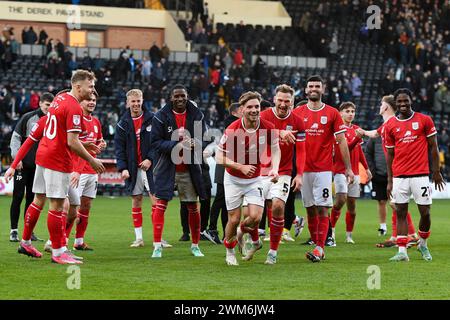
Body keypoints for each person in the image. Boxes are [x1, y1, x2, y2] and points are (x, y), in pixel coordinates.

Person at [4, 70, 105, 264]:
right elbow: (72, 142)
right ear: (78, 87)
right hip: (57, 160)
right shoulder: (74, 107)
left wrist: (13, 164)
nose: (93, 90)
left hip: (43, 156)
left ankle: (25, 242)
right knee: (58, 206)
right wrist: (92, 160)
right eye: (90, 86)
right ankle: (58, 252)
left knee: (38, 200)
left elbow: (41, 135)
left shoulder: (59, 99)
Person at [292, 75, 354, 263]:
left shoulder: (333, 113)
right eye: (310, 86)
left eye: (317, 86)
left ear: (323, 89)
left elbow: (341, 141)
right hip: (303, 170)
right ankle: (317, 244)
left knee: (322, 209)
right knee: (310, 209)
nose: (314, 89)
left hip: (324, 170)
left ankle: (320, 247)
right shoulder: (297, 112)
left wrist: (349, 169)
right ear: (305, 90)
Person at [216, 91, 281, 266]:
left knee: (255, 217)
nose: (254, 110)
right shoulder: (232, 130)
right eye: (250, 107)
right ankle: (229, 250)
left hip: (255, 179)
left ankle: (246, 236)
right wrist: (240, 167)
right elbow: (219, 157)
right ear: (242, 109)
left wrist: (275, 169)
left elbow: (275, 149)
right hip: (233, 179)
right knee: (234, 219)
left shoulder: (267, 127)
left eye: (257, 107)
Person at [384, 88, 445, 262]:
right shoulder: (390, 125)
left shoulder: (424, 120)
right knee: (401, 212)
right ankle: (402, 251)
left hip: (420, 174)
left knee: (425, 213)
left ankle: (423, 244)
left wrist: (436, 171)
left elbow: (433, 147)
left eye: (406, 101)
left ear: (411, 100)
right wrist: (390, 180)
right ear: (395, 103)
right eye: (400, 101)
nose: (403, 104)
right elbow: (390, 154)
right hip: (399, 176)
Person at [149, 84, 208, 258]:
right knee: (161, 205)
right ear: (171, 98)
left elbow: (202, 140)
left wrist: (194, 144)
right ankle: (157, 246)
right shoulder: (160, 116)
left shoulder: (197, 115)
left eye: (183, 96)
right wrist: (177, 145)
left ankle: (195, 245)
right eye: (177, 96)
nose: (180, 99)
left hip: (189, 168)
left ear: (187, 96)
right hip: (167, 168)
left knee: (193, 207)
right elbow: (155, 143)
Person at [115, 89, 170, 248]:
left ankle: (158, 238)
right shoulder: (122, 123)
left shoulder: (153, 119)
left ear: (142, 100)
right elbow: (119, 149)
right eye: (133, 101)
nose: (136, 104)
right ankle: (139, 238)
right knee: (136, 199)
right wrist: (122, 168)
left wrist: (149, 159)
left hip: (151, 167)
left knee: (156, 201)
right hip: (133, 168)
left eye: (138, 101)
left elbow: (158, 142)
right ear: (128, 103)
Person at [362, 95, 419, 247]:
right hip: (393, 168)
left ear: (386, 107)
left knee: (396, 204)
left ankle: (412, 235)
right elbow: (374, 134)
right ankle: (397, 237)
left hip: (397, 169)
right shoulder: (388, 123)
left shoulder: (393, 122)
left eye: (381, 104)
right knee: (394, 203)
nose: (379, 106)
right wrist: (359, 131)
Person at [259, 84, 306, 264]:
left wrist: (299, 174)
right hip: (260, 170)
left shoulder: (298, 122)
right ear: (274, 99)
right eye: (280, 100)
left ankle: (273, 251)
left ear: (292, 102)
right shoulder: (263, 116)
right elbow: (256, 137)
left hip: (284, 171)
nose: (283, 104)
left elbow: (301, 151)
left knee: (278, 206)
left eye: (287, 101)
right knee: (252, 216)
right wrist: (279, 132)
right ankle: (252, 239)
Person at [8, 92, 53, 242]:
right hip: (22, 166)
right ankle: (13, 230)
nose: (49, 108)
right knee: (18, 196)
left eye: (51, 105)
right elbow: (15, 138)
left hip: (39, 167)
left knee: (32, 200)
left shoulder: (52, 121)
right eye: (47, 105)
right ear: (40, 103)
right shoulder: (28, 118)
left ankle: (29, 231)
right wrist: (16, 158)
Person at [67, 91, 106, 251]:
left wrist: (102, 144)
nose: (91, 102)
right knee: (72, 208)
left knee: (86, 206)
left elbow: (97, 142)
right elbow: (71, 144)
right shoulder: (76, 120)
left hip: (91, 170)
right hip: (77, 171)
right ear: (80, 102)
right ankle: (58, 242)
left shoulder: (96, 121)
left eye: (94, 100)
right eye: (88, 100)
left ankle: (79, 241)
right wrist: (76, 169)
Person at [329, 102, 372, 245]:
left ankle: (348, 235)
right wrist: (358, 138)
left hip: (355, 172)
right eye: (347, 111)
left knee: (352, 206)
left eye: (353, 111)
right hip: (340, 170)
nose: (350, 114)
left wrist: (366, 168)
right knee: (341, 199)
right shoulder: (337, 131)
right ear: (340, 113)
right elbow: (344, 149)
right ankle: (331, 231)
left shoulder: (356, 129)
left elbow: (359, 152)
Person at [206, 103, 242, 244]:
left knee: (226, 202)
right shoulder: (232, 123)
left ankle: (224, 232)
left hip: (227, 164)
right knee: (221, 198)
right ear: (235, 112)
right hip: (225, 165)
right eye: (242, 110)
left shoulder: (232, 123)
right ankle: (212, 229)